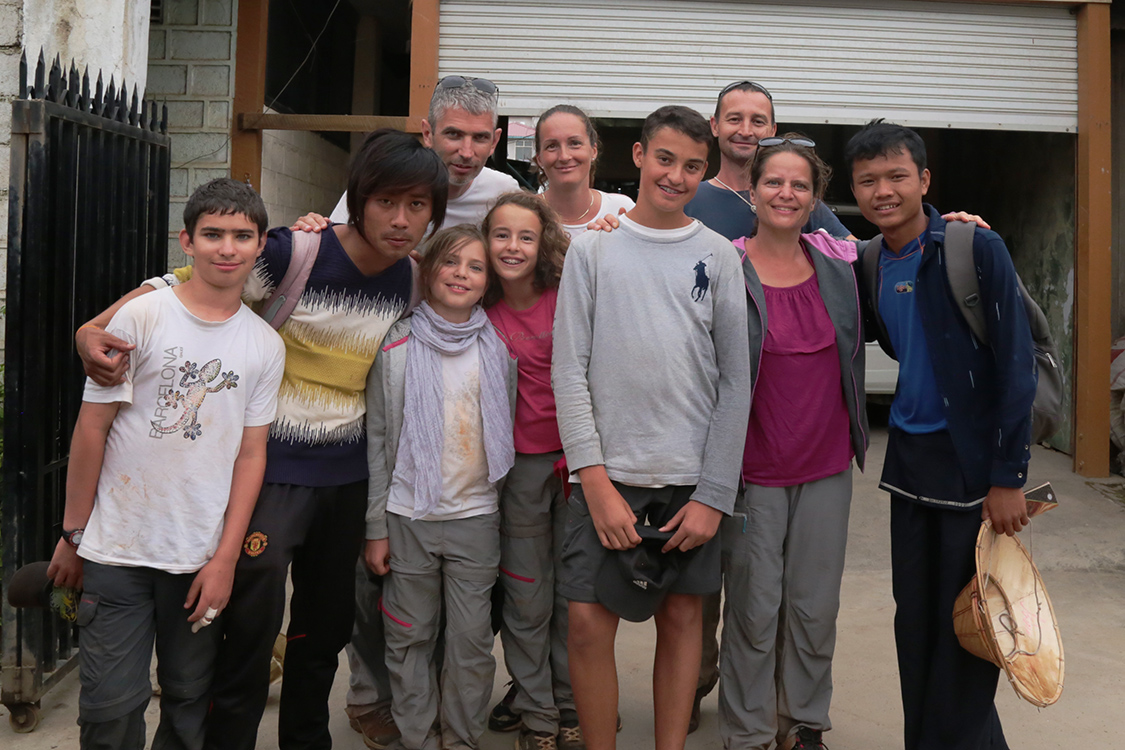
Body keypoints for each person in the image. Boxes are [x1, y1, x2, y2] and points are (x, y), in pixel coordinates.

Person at [73, 129, 448, 750]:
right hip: (269, 470)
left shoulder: (410, 281)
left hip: (347, 477)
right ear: (357, 198)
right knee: (249, 625)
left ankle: (306, 739)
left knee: (323, 631)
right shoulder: (292, 253)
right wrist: (95, 327)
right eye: (386, 201)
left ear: (434, 211)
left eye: (417, 206)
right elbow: (185, 284)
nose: (401, 219)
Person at [47, 178, 286, 749]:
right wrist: (73, 535)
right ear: (187, 241)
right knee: (109, 707)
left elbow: (251, 455)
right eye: (212, 234)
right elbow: (92, 429)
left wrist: (226, 559)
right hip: (117, 552)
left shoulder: (263, 345)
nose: (226, 248)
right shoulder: (143, 317)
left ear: (260, 246)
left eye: (241, 236)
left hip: (197, 558)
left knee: (186, 700)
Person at [552, 105, 751, 750]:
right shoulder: (593, 251)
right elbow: (568, 370)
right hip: (606, 477)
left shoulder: (719, 257)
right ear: (637, 157)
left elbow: (735, 383)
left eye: (694, 165)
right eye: (665, 159)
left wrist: (713, 494)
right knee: (585, 622)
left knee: (684, 616)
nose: (676, 175)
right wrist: (596, 480)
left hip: (689, 482)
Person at [845, 120, 1037, 750]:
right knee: (919, 624)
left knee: (971, 626)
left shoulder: (973, 247)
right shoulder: (870, 260)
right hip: (910, 463)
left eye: (897, 176)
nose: (883, 191)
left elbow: (1015, 366)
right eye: (868, 180)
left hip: (971, 466)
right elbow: (786, 212)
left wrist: (1008, 477)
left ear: (923, 180)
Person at [717, 136, 867, 750]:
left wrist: (953, 221)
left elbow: (911, 242)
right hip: (753, 470)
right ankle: (749, 730)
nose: (786, 193)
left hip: (826, 466)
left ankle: (803, 722)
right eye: (774, 182)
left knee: (813, 607)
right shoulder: (723, 263)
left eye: (799, 185)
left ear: (814, 198)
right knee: (754, 609)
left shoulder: (841, 263)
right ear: (751, 191)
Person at [364, 225, 517, 750]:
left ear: (487, 281)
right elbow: (380, 441)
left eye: (475, 267)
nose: (461, 274)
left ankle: (461, 737)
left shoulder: (497, 346)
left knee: (472, 641)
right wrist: (376, 527)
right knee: (409, 635)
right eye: (450, 263)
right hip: (410, 515)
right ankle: (417, 737)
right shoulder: (397, 344)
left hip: (475, 514)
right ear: (428, 271)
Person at [475, 192, 576, 750]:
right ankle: (537, 711)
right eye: (502, 235)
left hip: (576, 466)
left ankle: (572, 704)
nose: (513, 247)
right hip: (516, 471)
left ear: (545, 246)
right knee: (527, 594)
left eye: (526, 236)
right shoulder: (475, 305)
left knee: (573, 597)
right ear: (485, 241)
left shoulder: (568, 297)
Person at [326, 76, 519, 232]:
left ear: (494, 141)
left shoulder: (503, 192)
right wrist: (311, 231)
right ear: (428, 134)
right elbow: (334, 244)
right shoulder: (385, 179)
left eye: (479, 138)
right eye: (454, 134)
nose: (466, 152)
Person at [684, 80, 852, 242]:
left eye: (758, 121)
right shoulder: (689, 197)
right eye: (735, 119)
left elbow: (855, 254)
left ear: (773, 130)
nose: (746, 131)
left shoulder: (795, 200)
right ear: (715, 126)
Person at [532, 104, 634, 239]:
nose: (564, 156)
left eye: (575, 143)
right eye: (552, 146)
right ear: (539, 159)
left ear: (593, 151)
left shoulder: (620, 210)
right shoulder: (524, 213)